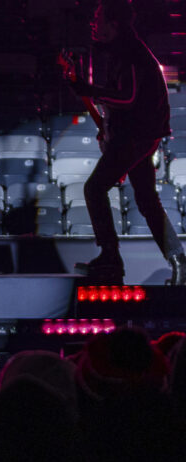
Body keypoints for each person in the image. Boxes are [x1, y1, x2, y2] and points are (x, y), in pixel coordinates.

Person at [68, 0, 186, 284]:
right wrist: (106, 127)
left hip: (136, 135)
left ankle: (110, 258)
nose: (94, 24)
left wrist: (91, 90)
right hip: (138, 134)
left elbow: (128, 98)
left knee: (95, 188)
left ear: (114, 25)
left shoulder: (129, 53)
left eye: (99, 19)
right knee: (146, 200)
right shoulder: (124, 51)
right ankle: (179, 261)